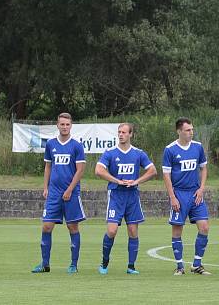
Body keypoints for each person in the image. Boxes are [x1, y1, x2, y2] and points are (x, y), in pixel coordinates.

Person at [95, 123, 157, 275]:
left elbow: (152, 170)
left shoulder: (138, 153)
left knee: (133, 231)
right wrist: (116, 180)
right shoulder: (110, 152)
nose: (121, 134)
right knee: (112, 230)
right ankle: (104, 262)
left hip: (132, 196)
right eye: (119, 132)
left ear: (131, 134)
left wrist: (136, 181)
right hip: (116, 195)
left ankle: (131, 266)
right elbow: (98, 170)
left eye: (124, 132)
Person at [32, 113, 86, 274]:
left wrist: (69, 189)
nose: (64, 127)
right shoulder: (51, 144)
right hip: (54, 194)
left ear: (71, 126)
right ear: (57, 125)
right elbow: (48, 166)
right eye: (62, 124)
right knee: (47, 226)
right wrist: (45, 187)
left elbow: (80, 170)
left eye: (67, 124)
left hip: (71, 193)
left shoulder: (77, 146)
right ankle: (45, 264)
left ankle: (73, 265)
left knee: (72, 226)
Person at [162, 117, 212, 275]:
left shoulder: (198, 147)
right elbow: (166, 175)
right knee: (177, 230)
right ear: (179, 131)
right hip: (179, 194)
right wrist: (172, 197)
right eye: (188, 130)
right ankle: (179, 266)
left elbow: (203, 168)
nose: (191, 132)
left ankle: (197, 265)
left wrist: (201, 188)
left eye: (192, 129)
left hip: (195, 193)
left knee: (204, 227)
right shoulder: (170, 149)